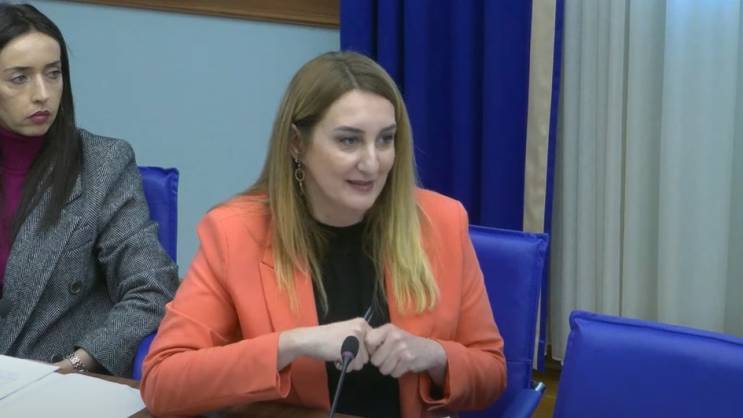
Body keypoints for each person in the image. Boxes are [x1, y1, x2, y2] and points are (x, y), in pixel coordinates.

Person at [141, 51, 505, 418]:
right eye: (349, 141)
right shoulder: (234, 233)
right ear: (297, 144)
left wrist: (435, 356)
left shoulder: (442, 221)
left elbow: (492, 372)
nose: (372, 163)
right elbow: (163, 383)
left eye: (385, 140)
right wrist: (292, 344)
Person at [0, 4, 178, 377]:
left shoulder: (102, 164)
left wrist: (77, 363)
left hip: (54, 380)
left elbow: (151, 287)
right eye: (19, 78)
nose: (43, 94)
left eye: (53, 74)